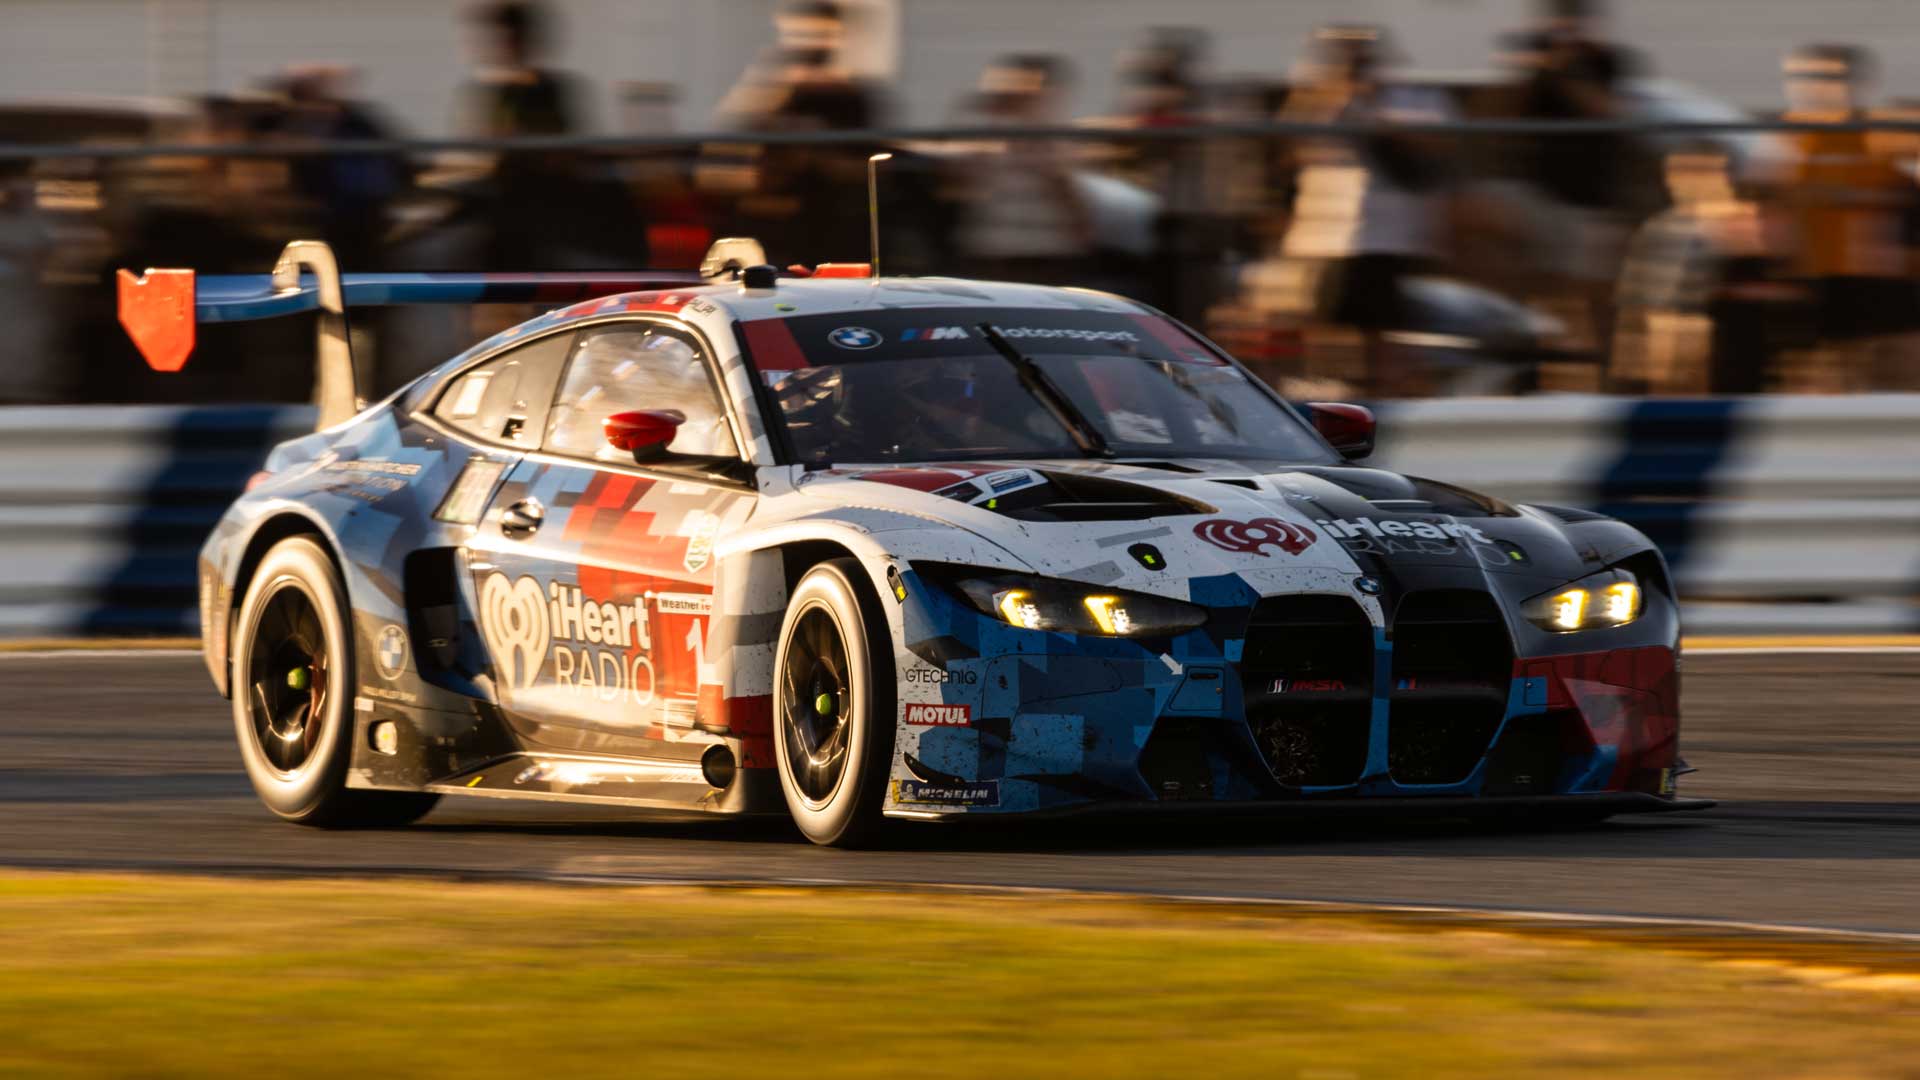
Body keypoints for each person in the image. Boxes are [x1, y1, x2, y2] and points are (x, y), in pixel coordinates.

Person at [1275, 24, 1457, 396]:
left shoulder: (1411, 97)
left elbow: (1430, 155)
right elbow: (1292, 149)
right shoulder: (1319, 97)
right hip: (1322, 234)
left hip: (1383, 236)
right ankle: (1327, 393)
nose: (1354, 60)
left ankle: (1391, 392)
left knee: (1380, 330)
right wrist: (1332, 92)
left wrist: (1372, 109)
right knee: (1317, 322)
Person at [954, 55, 1094, 286]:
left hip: (1003, 243)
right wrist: (1081, 221)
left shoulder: (991, 133)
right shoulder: (1042, 132)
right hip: (1035, 244)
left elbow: (961, 178)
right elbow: (1059, 180)